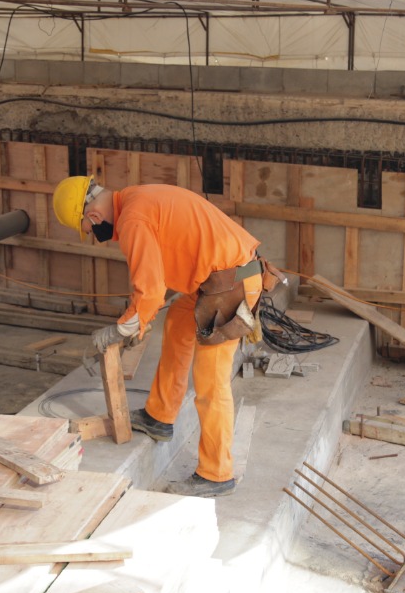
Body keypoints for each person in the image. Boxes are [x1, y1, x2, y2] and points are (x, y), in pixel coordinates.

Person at [52, 176, 278, 497]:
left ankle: (216, 474)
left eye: (88, 231)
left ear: (94, 216)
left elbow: (150, 290)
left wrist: (120, 329)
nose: (94, 236)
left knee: (211, 381)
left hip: (232, 286)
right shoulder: (136, 199)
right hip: (219, 280)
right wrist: (137, 321)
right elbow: (155, 282)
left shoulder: (133, 219)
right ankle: (159, 416)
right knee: (178, 320)